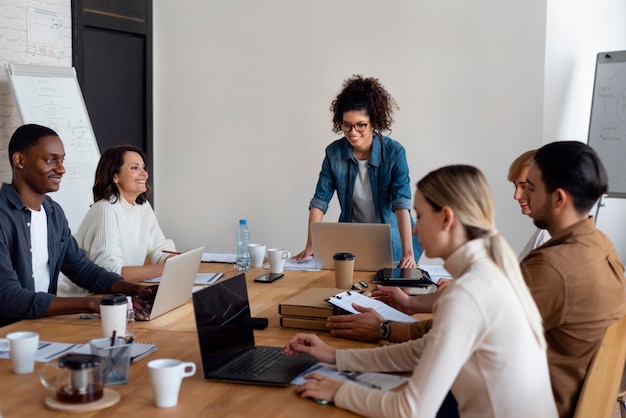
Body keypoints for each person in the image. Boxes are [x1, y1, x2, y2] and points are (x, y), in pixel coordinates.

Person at [285, 165, 557, 417]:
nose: (414, 228)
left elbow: (412, 410)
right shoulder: (488, 276)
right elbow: (422, 351)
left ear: (446, 218)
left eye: (421, 215)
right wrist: (334, 356)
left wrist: (337, 391)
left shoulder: (467, 296)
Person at [0, 124, 154, 327]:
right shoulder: (3, 215)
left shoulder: (53, 212)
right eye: (50, 160)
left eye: (62, 160)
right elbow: (8, 296)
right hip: (9, 333)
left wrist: (134, 289)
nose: (61, 169)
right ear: (20, 160)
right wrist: (91, 303)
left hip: (41, 326)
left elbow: (82, 269)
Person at [522, 141, 626, 417]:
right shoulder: (603, 246)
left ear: (558, 198)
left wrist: (393, 331)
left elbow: (474, 332)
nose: (524, 198)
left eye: (531, 189)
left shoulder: (550, 267)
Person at [294, 75, 421, 268]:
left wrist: (408, 254)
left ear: (374, 123)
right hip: (352, 242)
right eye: (347, 125)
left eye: (361, 125)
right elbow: (319, 203)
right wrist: (311, 245)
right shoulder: (333, 153)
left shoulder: (395, 153)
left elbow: (402, 205)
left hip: (394, 243)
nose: (353, 132)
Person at [58, 145, 176, 296]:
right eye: (134, 167)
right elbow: (110, 272)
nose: (144, 174)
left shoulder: (142, 206)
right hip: (85, 302)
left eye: (143, 167)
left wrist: (173, 259)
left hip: (123, 295)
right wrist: (166, 268)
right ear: (115, 176)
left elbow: (159, 248)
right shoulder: (106, 209)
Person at [508, 149, 551, 260]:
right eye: (515, 187)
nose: (516, 196)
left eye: (525, 186)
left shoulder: (547, 237)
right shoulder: (543, 232)